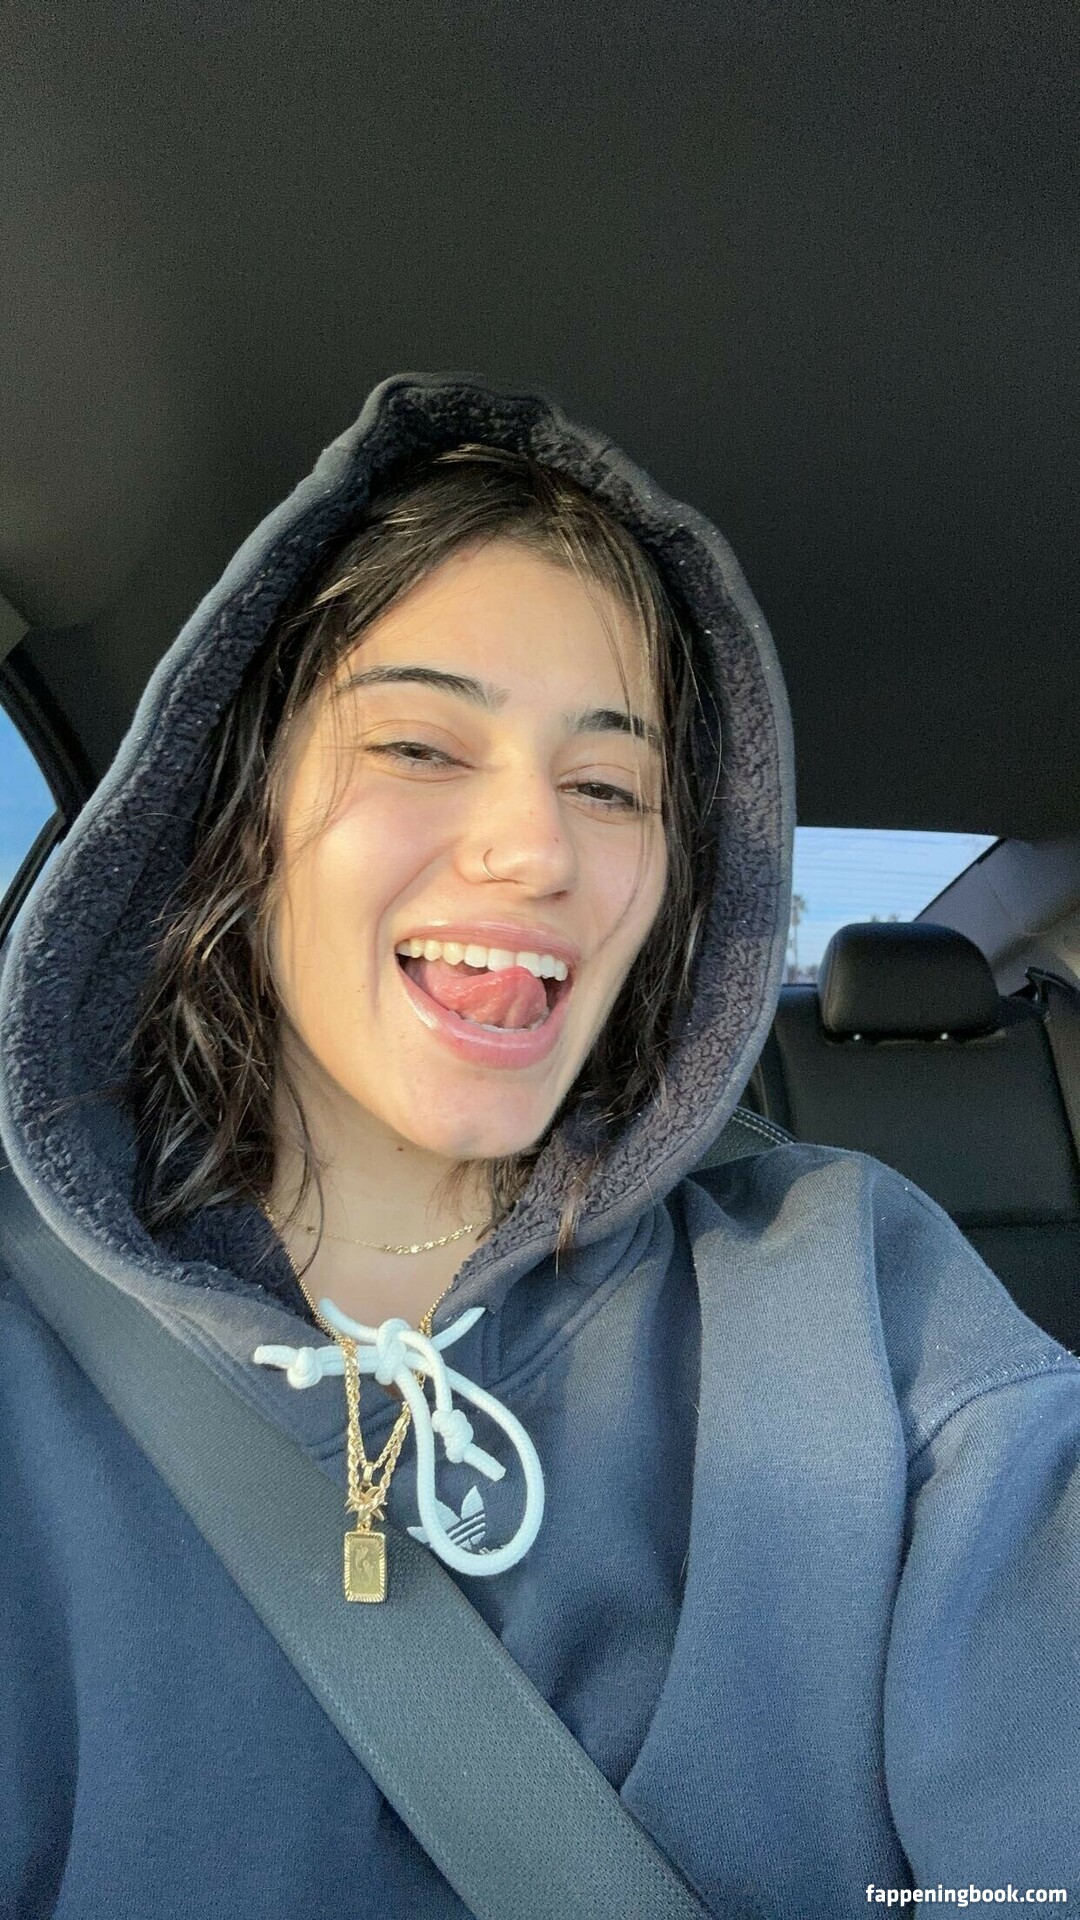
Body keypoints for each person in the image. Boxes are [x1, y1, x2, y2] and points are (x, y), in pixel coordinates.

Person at [0, 370, 1076, 1918]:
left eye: (609, 784)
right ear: (237, 819)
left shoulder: (866, 1297)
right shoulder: (30, 1347)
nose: (537, 848)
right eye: (420, 748)